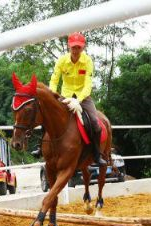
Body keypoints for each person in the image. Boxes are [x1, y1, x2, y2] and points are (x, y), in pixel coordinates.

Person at [48, 32, 106, 166]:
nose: (75, 50)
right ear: (69, 46)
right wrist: (53, 95)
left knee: (95, 124)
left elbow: (88, 84)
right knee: (48, 116)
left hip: (83, 97)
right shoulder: (62, 61)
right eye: (73, 47)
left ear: (83, 47)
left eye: (78, 47)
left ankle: (97, 154)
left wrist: (78, 100)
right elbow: (54, 79)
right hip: (65, 95)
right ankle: (41, 148)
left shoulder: (87, 61)